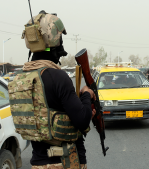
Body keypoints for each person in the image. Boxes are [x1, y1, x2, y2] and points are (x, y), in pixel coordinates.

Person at [9, 11, 95, 169]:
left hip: (37, 164)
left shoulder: (19, 80)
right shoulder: (58, 77)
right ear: (55, 39)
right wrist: (86, 95)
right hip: (63, 163)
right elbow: (82, 120)